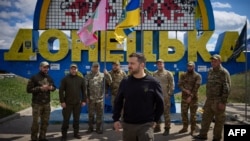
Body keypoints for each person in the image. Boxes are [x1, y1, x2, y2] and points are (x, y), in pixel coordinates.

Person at [112, 52, 164, 141]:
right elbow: (118, 101)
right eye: (129, 63)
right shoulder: (125, 82)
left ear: (142, 65)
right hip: (128, 126)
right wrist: (116, 119)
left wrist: (155, 120)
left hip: (146, 126)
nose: (129, 66)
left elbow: (160, 104)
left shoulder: (153, 83)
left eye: (132, 63)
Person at [194, 54, 231, 141]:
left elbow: (227, 88)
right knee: (205, 118)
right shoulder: (210, 71)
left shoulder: (224, 72)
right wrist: (207, 98)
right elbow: (209, 86)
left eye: (215, 61)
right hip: (209, 100)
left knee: (219, 121)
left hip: (218, 101)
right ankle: (203, 135)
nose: (213, 62)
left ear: (219, 61)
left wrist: (223, 102)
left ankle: (216, 138)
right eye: (212, 61)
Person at [26, 61, 56, 141]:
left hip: (46, 104)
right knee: (35, 123)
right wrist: (40, 88)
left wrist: (51, 88)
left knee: (45, 122)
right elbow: (28, 90)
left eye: (47, 67)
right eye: (44, 67)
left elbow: (54, 87)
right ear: (40, 68)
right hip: (37, 104)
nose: (46, 69)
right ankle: (34, 138)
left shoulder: (49, 78)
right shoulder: (34, 77)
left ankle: (42, 137)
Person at [59, 63, 87, 141]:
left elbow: (84, 91)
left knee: (76, 119)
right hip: (67, 104)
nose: (73, 70)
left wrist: (84, 100)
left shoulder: (81, 79)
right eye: (72, 69)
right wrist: (62, 101)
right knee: (66, 120)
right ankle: (64, 135)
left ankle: (76, 133)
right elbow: (61, 91)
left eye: (75, 69)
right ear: (70, 70)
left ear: (77, 70)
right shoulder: (65, 79)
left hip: (77, 103)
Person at [85, 62, 112, 134]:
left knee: (99, 115)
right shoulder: (88, 76)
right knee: (91, 115)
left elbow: (110, 82)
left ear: (99, 68)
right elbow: (85, 88)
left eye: (97, 67)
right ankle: (90, 128)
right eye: (94, 67)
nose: (96, 68)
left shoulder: (103, 75)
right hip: (91, 99)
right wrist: (86, 97)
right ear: (92, 68)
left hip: (100, 99)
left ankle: (98, 128)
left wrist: (107, 74)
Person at [178, 61, 202, 136]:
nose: (189, 67)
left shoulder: (197, 76)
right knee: (183, 113)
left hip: (193, 99)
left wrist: (190, 96)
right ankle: (185, 128)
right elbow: (180, 84)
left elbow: (196, 87)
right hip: (184, 98)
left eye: (191, 66)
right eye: (188, 66)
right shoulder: (183, 75)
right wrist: (185, 90)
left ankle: (193, 129)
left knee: (193, 115)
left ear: (194, 67)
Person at [152, 59, 175, 136]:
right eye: (158, 64)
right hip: (156, 96)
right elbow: (152, 84)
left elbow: (172, 84)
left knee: (166, 113)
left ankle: (167, 128)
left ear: (163, 64)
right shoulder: (154, 74)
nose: (159, 65)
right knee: (156, 112)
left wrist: (169, 94)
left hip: (165, 97)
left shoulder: (168, 73)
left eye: (161, 63)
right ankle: (157, 127)